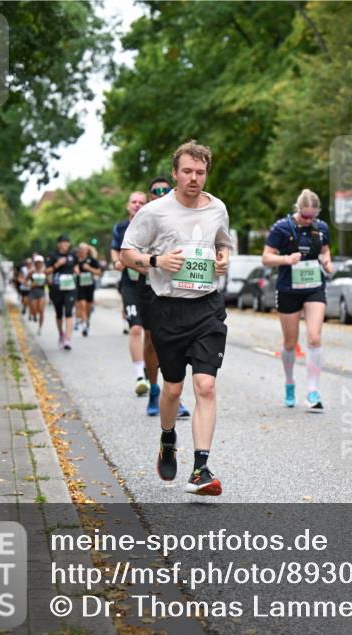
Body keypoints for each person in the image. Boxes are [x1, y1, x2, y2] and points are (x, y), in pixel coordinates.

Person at [121, 140, 231, 495]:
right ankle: (168, 439)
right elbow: (126, 253)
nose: (194, 178)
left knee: (206, 386)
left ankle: (201, 468)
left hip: (207, 306)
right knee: (171, 388)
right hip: (168, 308)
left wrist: (223, 258)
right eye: (187, 171)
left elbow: (223, 242)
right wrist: (157, 262)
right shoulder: (155, 212)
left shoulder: (217, 209)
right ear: (175, 173)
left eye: (200, 172)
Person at [261, 189, 334, 411]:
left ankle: (313, 391)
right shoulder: (282, 227)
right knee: (290, 343)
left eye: (312, 216)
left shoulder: (321, 228)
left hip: (314, 287)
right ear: (298, 209)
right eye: (305, 216)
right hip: (288, 288)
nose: (308, 220)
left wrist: (327, 263)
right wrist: (285, 259)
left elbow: (325, 251)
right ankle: (290, 382)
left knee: (314, 338)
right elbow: (265, 258)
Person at [140, 176, 189, 418]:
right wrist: (152, 260)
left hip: (176, 286)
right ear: (149, 195)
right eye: (155, 190)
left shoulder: (181, 216)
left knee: (176, 341)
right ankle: (154, 388)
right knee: (151, 341)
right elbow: (130, 255)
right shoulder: (145, 217)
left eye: (165, 190)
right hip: (148, 287)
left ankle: (173, 395)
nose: (160, 193)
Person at [112, 192, 152, 394]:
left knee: (151, 334)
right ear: (128, 206)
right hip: (129, 284)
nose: (137, 205)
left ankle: (148, 368)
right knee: (136, 328)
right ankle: (139, 375)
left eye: (141, 202)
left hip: (150, 284)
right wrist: (118, 261)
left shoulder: (153, 224)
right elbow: (115, 250)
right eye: (134, 202)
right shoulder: (120, 227)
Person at [46, 234, 79, 350]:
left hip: (70, 287)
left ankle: (68, 339)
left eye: (67, 242)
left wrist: (77, 271)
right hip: (57, 287)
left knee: (69, 312)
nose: (65, 244)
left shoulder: (73, 255)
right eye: (63, 242)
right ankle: (61, 333)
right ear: (59, 244)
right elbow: (46, 271)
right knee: (59, 313)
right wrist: (57, 265)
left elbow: (76, 267)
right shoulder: (52, 255)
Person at [75, 242, 102, 337]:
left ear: (87, 250)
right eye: (81, 249)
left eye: (84, 249)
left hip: (90, 285)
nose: (82, 251)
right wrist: (75, 270)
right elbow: (71, 269)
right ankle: (84, 325)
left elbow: (98, 272)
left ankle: (87, 321)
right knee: (82, 305)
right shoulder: (76, 260)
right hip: (80, 285)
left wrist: (89, 268)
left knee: (88, 306)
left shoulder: (92, 260)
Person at [27, 255, 48, 333]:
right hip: (33, 292)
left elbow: (49, 281)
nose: (39, 264)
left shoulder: (45, 271)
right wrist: (31, 284)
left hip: (41, 292)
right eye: (37, 262)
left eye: (40, 262)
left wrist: (45, 282)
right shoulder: (31, 271)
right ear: (35, 263)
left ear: (42, 263)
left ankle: (40, 328)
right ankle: (34, 315)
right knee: (34, 310)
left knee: (41, 310)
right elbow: (25, 281)